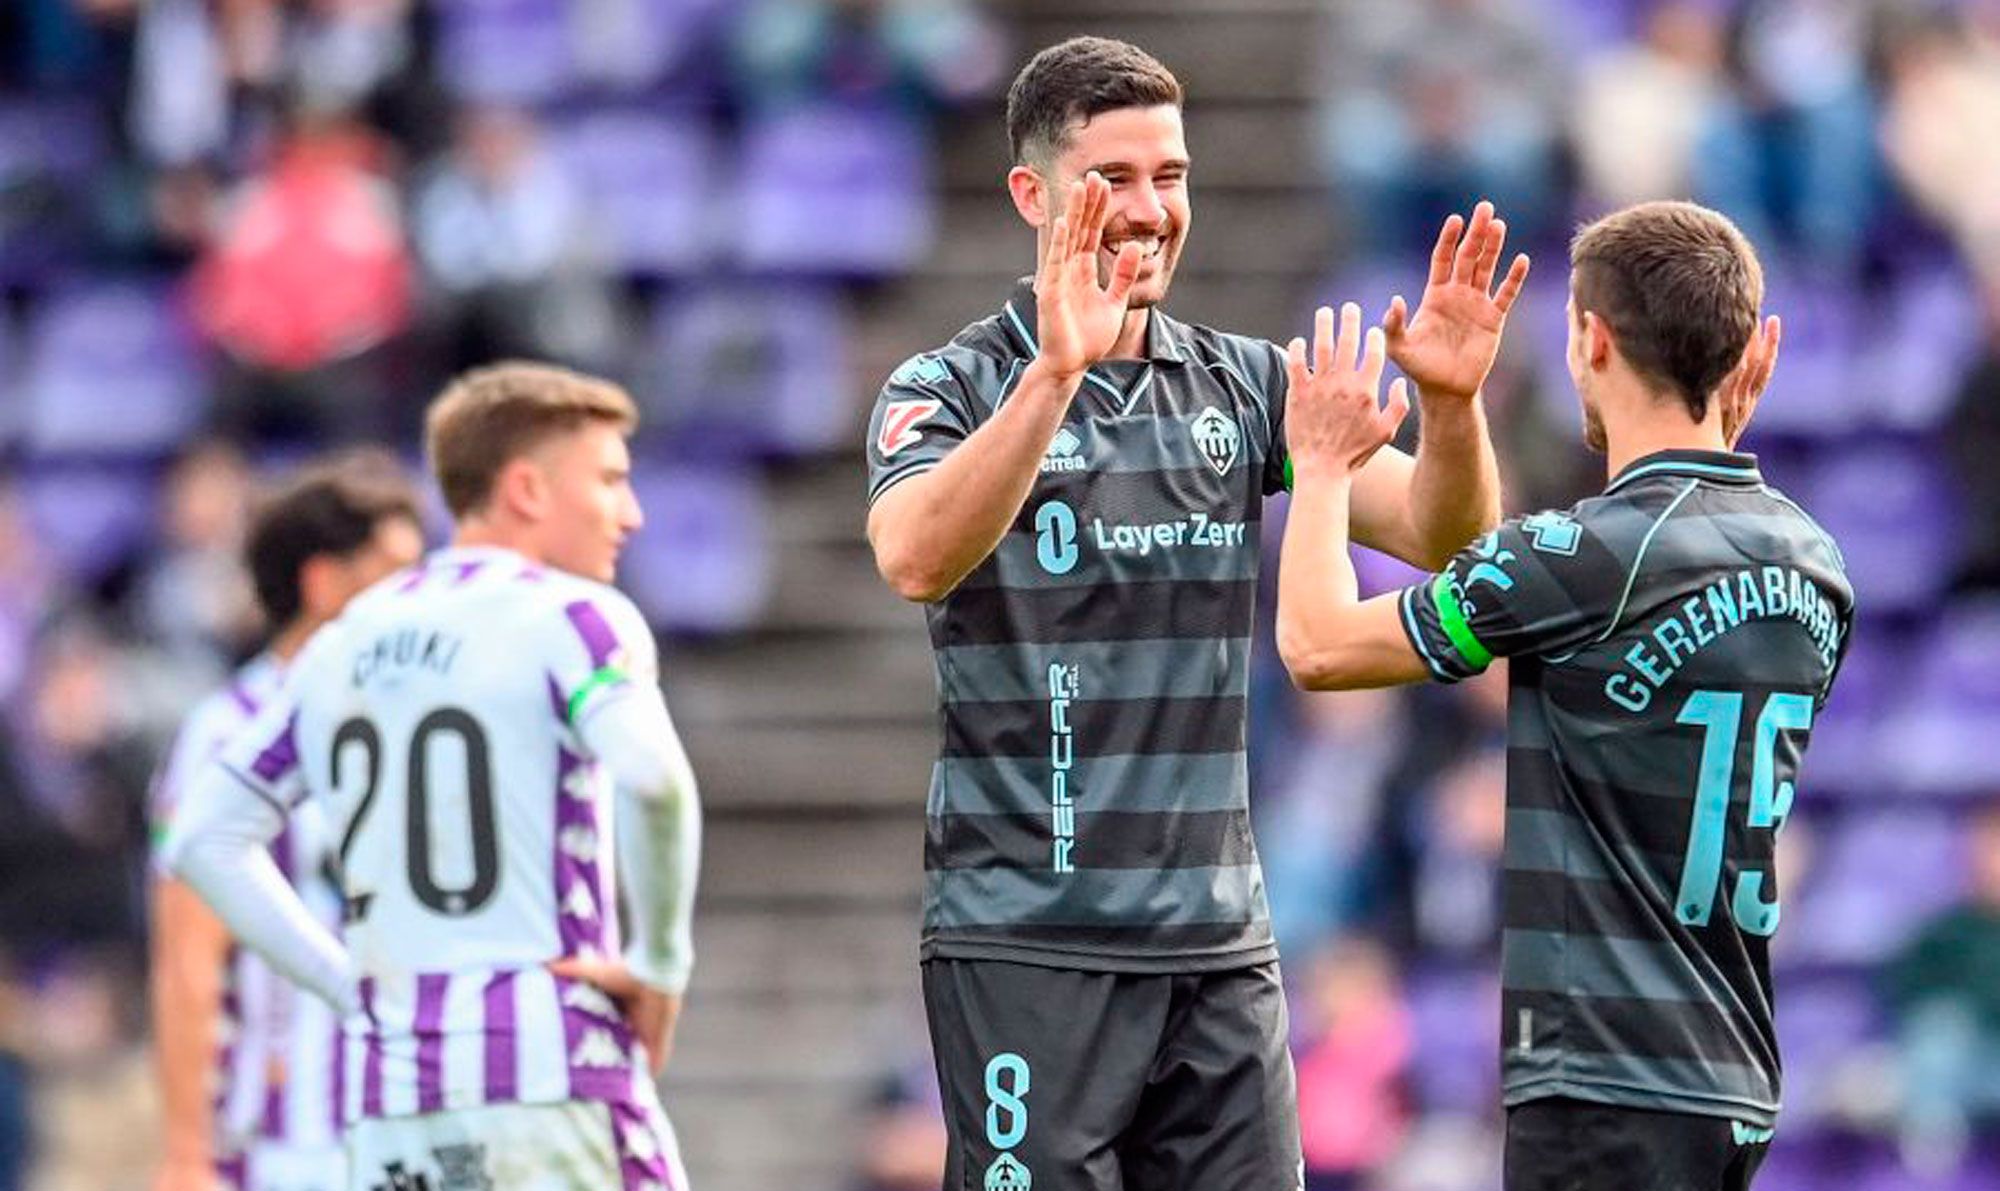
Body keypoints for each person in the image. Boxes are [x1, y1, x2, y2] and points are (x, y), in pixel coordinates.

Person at [864, 36, 1509, 1190]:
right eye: (1111, 178)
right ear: (1032, 195)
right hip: (1028, 942)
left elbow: (1443, 538)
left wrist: (1451, 411)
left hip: (1218, 951)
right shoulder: (946, 386)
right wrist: (1050, 379)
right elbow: (913, 556)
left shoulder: (1242, 384)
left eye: (1169, 176)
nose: (1150, 209)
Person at [1273, 200, 1849, 1191]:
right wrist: (1451, 409)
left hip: (1601, 1082)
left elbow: (1319, 649)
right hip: (1729, 1075)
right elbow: (1528, 595)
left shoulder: (1586, 557)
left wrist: (1319, 467)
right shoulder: (1814, 563)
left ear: (1588, 339)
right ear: (1742, 359)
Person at [165, 363, 701, 1191]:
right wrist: (660, 962)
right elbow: (656, 780)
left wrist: (344, 985)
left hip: (391, 1086)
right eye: (609, 480)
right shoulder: (571, 616)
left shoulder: (343, 642)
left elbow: (204, 837)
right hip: (548, 1070)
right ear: (526, 488)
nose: (629, 512)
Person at [150, 451, 425, 1191]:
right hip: (287, 1134)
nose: (419, 596)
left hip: (418, 1114)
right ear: (324, 581)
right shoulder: (227, 734)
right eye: (394, 570)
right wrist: (185, 1152)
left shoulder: (422, 725)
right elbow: (188, 958)